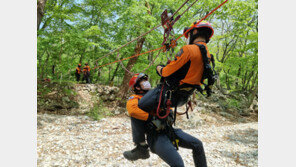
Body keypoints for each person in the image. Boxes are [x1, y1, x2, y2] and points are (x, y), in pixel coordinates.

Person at [123, 73, 152, 161]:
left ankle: (142, 148)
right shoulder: (134, 97)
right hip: (150, 122)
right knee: (134, 115)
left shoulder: (155, 93)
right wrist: (151, 117)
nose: (146, 82)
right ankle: (141, 146)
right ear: (137, 87)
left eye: (146, 80)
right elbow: (133, 110)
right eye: (143, 81)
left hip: (163, 121)